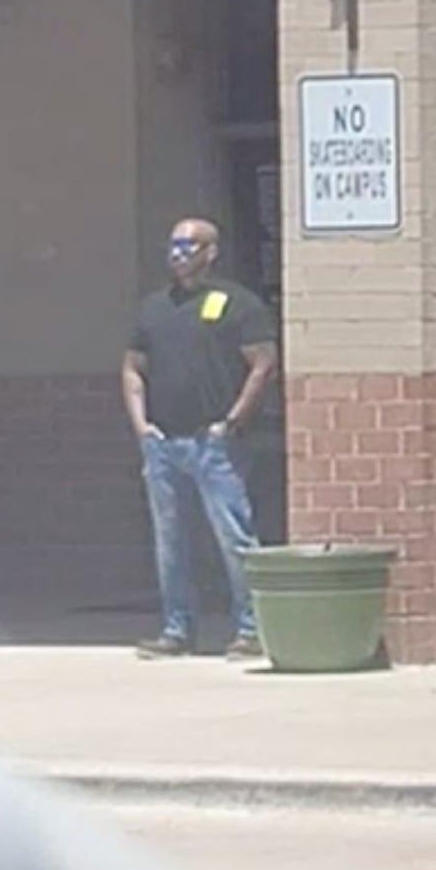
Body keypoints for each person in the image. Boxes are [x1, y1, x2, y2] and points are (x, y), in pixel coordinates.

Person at [122, 218, 278, 660]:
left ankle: (251, 630)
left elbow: (262, 363)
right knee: (170, 541)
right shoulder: (154, 308)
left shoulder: (237, 304)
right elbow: (133, 366)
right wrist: (141, 425)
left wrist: (231, 421)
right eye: (173, 245)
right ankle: (177, 630)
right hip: (163, 444)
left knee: (235, 538)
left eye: (188, 245)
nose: (177, 254)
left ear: (211, 252)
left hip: (215, 445)